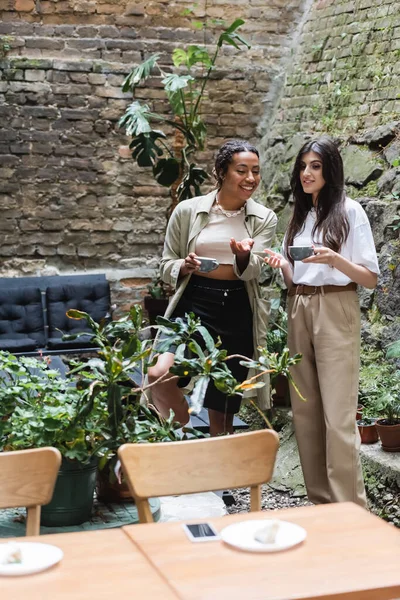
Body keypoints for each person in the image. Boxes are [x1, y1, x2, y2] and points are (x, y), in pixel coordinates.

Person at [264, 136, 379, 507]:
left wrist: (333, 259)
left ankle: (350, 509)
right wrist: (282, 265)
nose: (307, 173)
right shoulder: (300, 215)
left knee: (337, 416)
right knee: (305, 411)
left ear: (330, 169)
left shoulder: (350, 211)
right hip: (299, 305)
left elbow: (369, 277)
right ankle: (321, 503)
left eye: (315, 166)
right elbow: (295, 277)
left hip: (335, 307)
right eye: (302, 166)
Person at [148, 139, 277, 436]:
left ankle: (221, 469)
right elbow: (166, 264)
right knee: (159, 372)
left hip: (237, 305)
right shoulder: (187, 210)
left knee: (224, 397)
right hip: (193, 301)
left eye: (256, 171)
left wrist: (244, 256)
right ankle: (183, 427)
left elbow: (255, 271)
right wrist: (185, 265)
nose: (250, 179)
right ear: (221, 171)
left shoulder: (264, 217)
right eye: (241, 170)